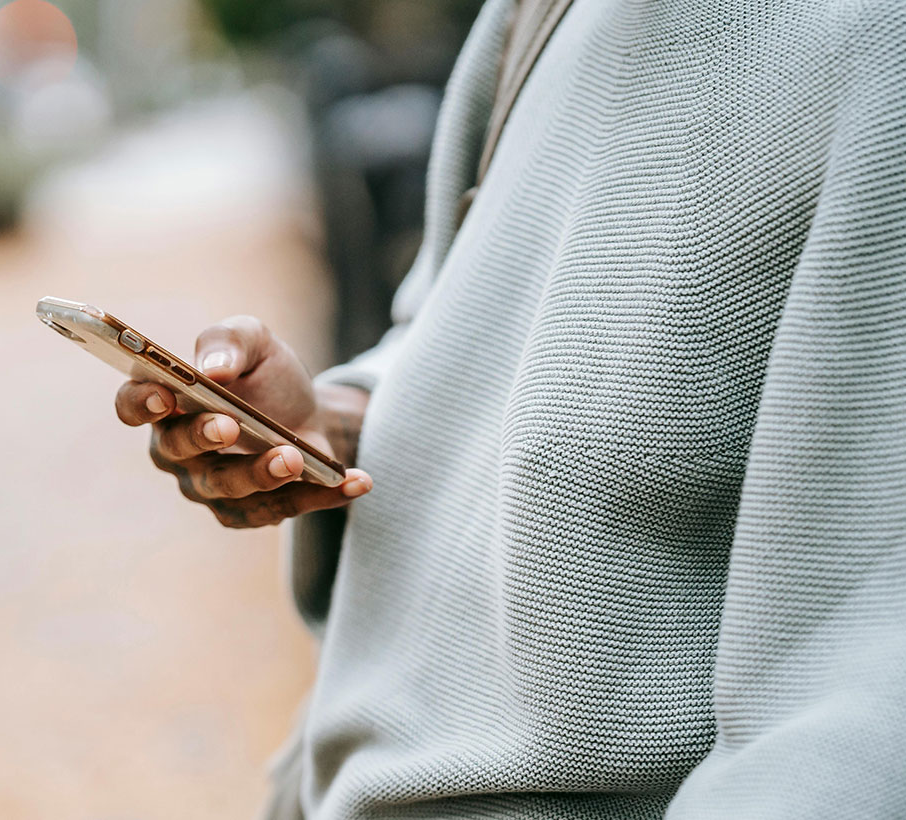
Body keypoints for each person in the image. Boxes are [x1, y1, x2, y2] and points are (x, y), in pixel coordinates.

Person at [114, 0, 906, 816]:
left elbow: (867, 676)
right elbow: (465, 332)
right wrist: (336, 424)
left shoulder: (878, 45)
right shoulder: (535, 11)